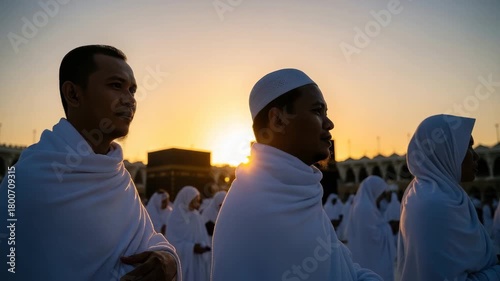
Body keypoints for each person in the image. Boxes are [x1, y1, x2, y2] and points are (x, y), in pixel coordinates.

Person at [0, 45, 179, 281]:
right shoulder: (26, 182)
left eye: (133, 90)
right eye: (116, 86)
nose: (129, 100)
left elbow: (150, 242)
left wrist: (167, 259)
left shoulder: (118, 177)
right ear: (73, 94)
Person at [212, 68, 382, 280]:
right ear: (278, 121)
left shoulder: (300, 193)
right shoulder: (252, 207)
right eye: (317, 111)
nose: (329, 124)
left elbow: (343, 268)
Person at [397, 114, 500, 281]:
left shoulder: (445, 195)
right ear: (445, 151)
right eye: (468, 147)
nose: (476, 156)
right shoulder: (433, 204)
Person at [346, 176, 396, 281]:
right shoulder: (364, 208)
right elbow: (372, 236)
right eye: (381, 194)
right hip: (370, 259)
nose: (382, 197)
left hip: (366, 257)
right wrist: (389, 227)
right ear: (374, 191)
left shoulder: (364, 206)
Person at [167, 186, 211, 281]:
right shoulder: (174, 218)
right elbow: (171, 242)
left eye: (197, 201)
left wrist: (205, 246)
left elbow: (202, 236)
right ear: (187, 199)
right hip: (183, 262)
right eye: (194, 201)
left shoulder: (196, 216)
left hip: (197, 262)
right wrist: (191, 248)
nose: (196, 204)